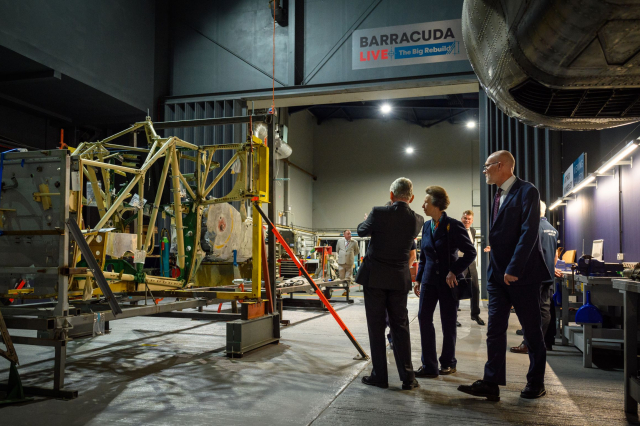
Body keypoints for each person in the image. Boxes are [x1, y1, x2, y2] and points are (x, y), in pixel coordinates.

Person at [458, 150, 551, 401]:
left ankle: (536, 383)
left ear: (500, 166)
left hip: (522, 276)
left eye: (487, 166)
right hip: (498, 276)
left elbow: (528, 233)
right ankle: (492, 383)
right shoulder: (498, 194)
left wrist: (514, 268)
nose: (484, 170)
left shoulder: (527, 191)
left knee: (532, 332)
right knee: (495, 331)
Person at [356, 177, 424, 390]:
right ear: (411, 198)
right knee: (400, 326)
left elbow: (361, 231)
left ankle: (380, 376)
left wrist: (369, 220)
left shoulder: (378, 212)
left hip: (375, 278)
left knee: (376, 328)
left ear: (391, 195)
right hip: (398, 279)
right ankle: (408, 378)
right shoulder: (418, 220)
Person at [414, 186, 476, 378]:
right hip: (429, 281)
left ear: (436, 204)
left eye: (426, 202)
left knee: (448, 323)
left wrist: (453, 272)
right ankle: (429, 366)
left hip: (449, 283)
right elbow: (423, 256)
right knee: (424, 319)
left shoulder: (454, 225)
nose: (422, 205)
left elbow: (471, 253)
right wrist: (418, 279)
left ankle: (448, 362)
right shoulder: (425, 226)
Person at [510, 201, 563, 354]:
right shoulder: (553, 230)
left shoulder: (532, 228)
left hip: (533, 277)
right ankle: (539, 342)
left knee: (529, 311)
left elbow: (525, 253)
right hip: (547, 276)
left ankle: (529, 343)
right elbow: (555, 255)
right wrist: (552, 270)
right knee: (544, 310)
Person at [460, 210, 485, 326]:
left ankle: (475, 314)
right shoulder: (457, 230)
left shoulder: (473, 231)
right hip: (460, 262)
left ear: (472, 220)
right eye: (465, 218)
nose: (467, 220)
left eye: (469, 219)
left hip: (471, 263)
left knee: (475, 288)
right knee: (456, 289)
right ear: (462, 219)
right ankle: (453, 316)